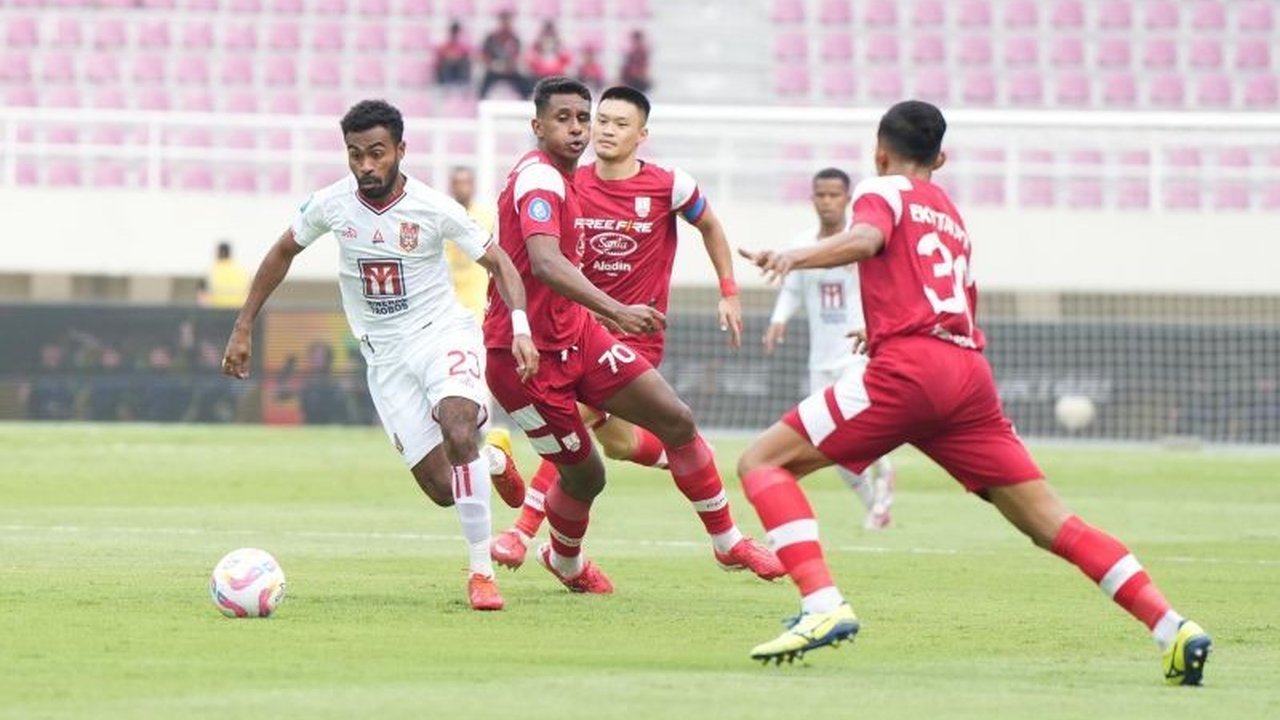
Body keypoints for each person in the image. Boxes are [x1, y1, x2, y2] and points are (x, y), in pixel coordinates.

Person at [736, 100, 1211, 686]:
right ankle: (1173, 627)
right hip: (965, 373)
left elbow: (864, 239)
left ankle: (821, 605)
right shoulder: (952, 217)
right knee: (1051, 523)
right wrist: (883, 326)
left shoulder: (881, 189)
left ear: (879, 151)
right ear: (941, 157)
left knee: (762, 463)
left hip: (910, 371)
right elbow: (954, 301)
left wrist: (795, 255)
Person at [221, 100, 538, 612]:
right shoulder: (331, 204)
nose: (366, 165)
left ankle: (481, 574)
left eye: (376, 153)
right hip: (385, 357)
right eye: (355, 155)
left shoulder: (434, 208)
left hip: (442, 334)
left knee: (457, 426)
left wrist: (520, 327)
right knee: (442, 487)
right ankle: (494, 457)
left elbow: (499, 262)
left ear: (400, 151)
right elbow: (283, 251)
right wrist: (243, 325)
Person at [483, 77, 781, 595]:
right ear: (538, 126)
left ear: (642, 134)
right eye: (576, 120)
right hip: (545, 349)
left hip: (598, 332)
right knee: (594, 466)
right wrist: (614, 310)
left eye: (590, 118)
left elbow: (709, 225)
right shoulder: (546, 182)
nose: (587, 130)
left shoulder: (659, 183)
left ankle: (726, 539)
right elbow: (544, 261)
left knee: (674, 419)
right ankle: (552, 547)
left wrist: (728, 289)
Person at [764, 167, 896, 530]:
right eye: (820, 195)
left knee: (846, 433)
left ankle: (882, 466)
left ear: (847, 199)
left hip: (856, 356)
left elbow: (884, 287)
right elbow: (792, 288)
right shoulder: (804, 243)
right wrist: (779, 319)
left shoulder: (860, 242)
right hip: (819, 361)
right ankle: (877, 503)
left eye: (834, 195)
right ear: (812, 199)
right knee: (830, 442)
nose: (827, 202)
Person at [445, 166, 496, 324]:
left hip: (477, 296)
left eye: (466, 182)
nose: (462, 187)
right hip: (449, 297)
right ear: (452, 186)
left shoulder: (486, 217)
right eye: (458, 183)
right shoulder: (444, 217)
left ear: (473, 185)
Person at [479, 10, 531, 99]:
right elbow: (484, 54)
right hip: (494, 69)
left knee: (525, 83)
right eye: (504, 20)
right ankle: (481, 103)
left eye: (508, 20)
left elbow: (517, 56)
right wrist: (493, 64)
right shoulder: (491, 37)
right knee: (483, 86)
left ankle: (526, 103)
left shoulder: (514, 38)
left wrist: (509, 66)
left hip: (509, 70)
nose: (506, 23)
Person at [205, 240, 250, 309]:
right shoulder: (241, 271)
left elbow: (207, 296)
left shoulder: (213, 271)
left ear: (219, 253)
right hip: (239, 310)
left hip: (218, 310)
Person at [435, 20, 473, 89]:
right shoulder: (445, 45)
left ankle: (463, 83)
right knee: (446, 62)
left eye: (456, 32)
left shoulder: (463, 45)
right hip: (447, 70)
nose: (455, 34)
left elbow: (467, 54)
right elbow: (441, 55)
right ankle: (445, 84)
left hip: (458, 70)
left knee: (465, 62)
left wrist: (456, 57)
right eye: (454, 32)